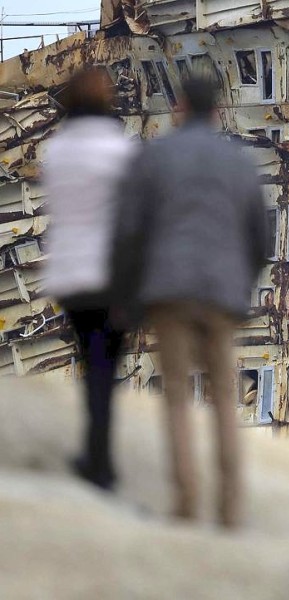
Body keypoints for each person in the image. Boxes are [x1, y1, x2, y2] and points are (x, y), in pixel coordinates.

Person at [111, 76, 267, 528]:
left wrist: (129, 297)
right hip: (222, 292)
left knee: (177, 396)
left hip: (168, 291)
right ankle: (230, 508)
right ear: (217, 111)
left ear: (179, 108)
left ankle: (185, 502)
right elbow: (260, 236)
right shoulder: (238, 162)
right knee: (223, 396)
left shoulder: (154, 156)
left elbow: (131, 232)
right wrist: (243, 287)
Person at [43, 67, 136, 490]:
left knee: (88, 360)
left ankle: (93, 454)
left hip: (70, 276)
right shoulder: (119, 151)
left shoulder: (57, 151)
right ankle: (101, 461)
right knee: (106, 367)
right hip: (110, 276)